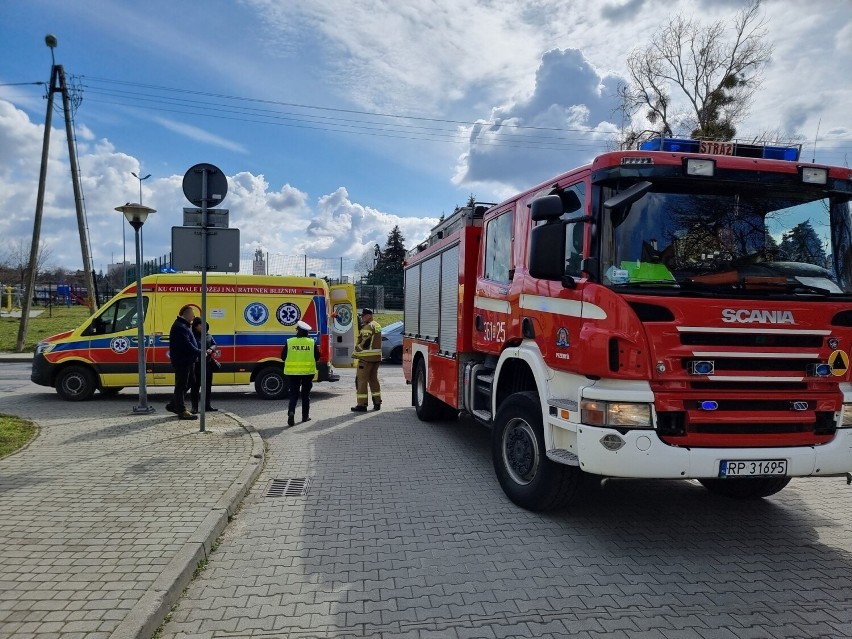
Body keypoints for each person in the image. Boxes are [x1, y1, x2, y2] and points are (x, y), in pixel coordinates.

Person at [282, 320, 320, 426]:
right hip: (307, 373)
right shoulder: (311, 342)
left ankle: (291, 412)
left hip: (292, 373)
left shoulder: (290, 341)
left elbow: (282, 356)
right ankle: (305, 416)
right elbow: (317, 357)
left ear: (298, 331)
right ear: (307, 332)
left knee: (293, 394)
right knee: (305, 395)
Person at [165, 305, 200, 420]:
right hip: (182, 361)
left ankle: (173, 404)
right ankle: (182, 410)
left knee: (191, 381)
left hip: (188, 360)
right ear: (187, 314)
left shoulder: (184, 325)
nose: (194, 317)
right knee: (181, 385)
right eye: (192, 314)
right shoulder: (180, 326)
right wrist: (199, 352)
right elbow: (186, 344)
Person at [351, 307, 382, 412]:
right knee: (373, 380)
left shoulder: (368, 327)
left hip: (366, 359)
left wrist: (357, 349)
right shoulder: (376, 325)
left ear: (369, 316)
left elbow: (366, 342)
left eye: (363, 316)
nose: (362, 318)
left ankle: (362, 405)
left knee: (361, 381)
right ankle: (377, 402)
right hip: (376, 358)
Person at [190, 317, 218, 414]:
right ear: (195, 326)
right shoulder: (192, 336)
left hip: (207, 365)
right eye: (201, 325)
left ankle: (207, 406)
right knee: (195, 387)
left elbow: (214, 344)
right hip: (196, 365)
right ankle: (194, 407)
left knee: (207, 387)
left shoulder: (208, 335)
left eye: (204, 325)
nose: (203, 327)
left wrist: (211, 349)